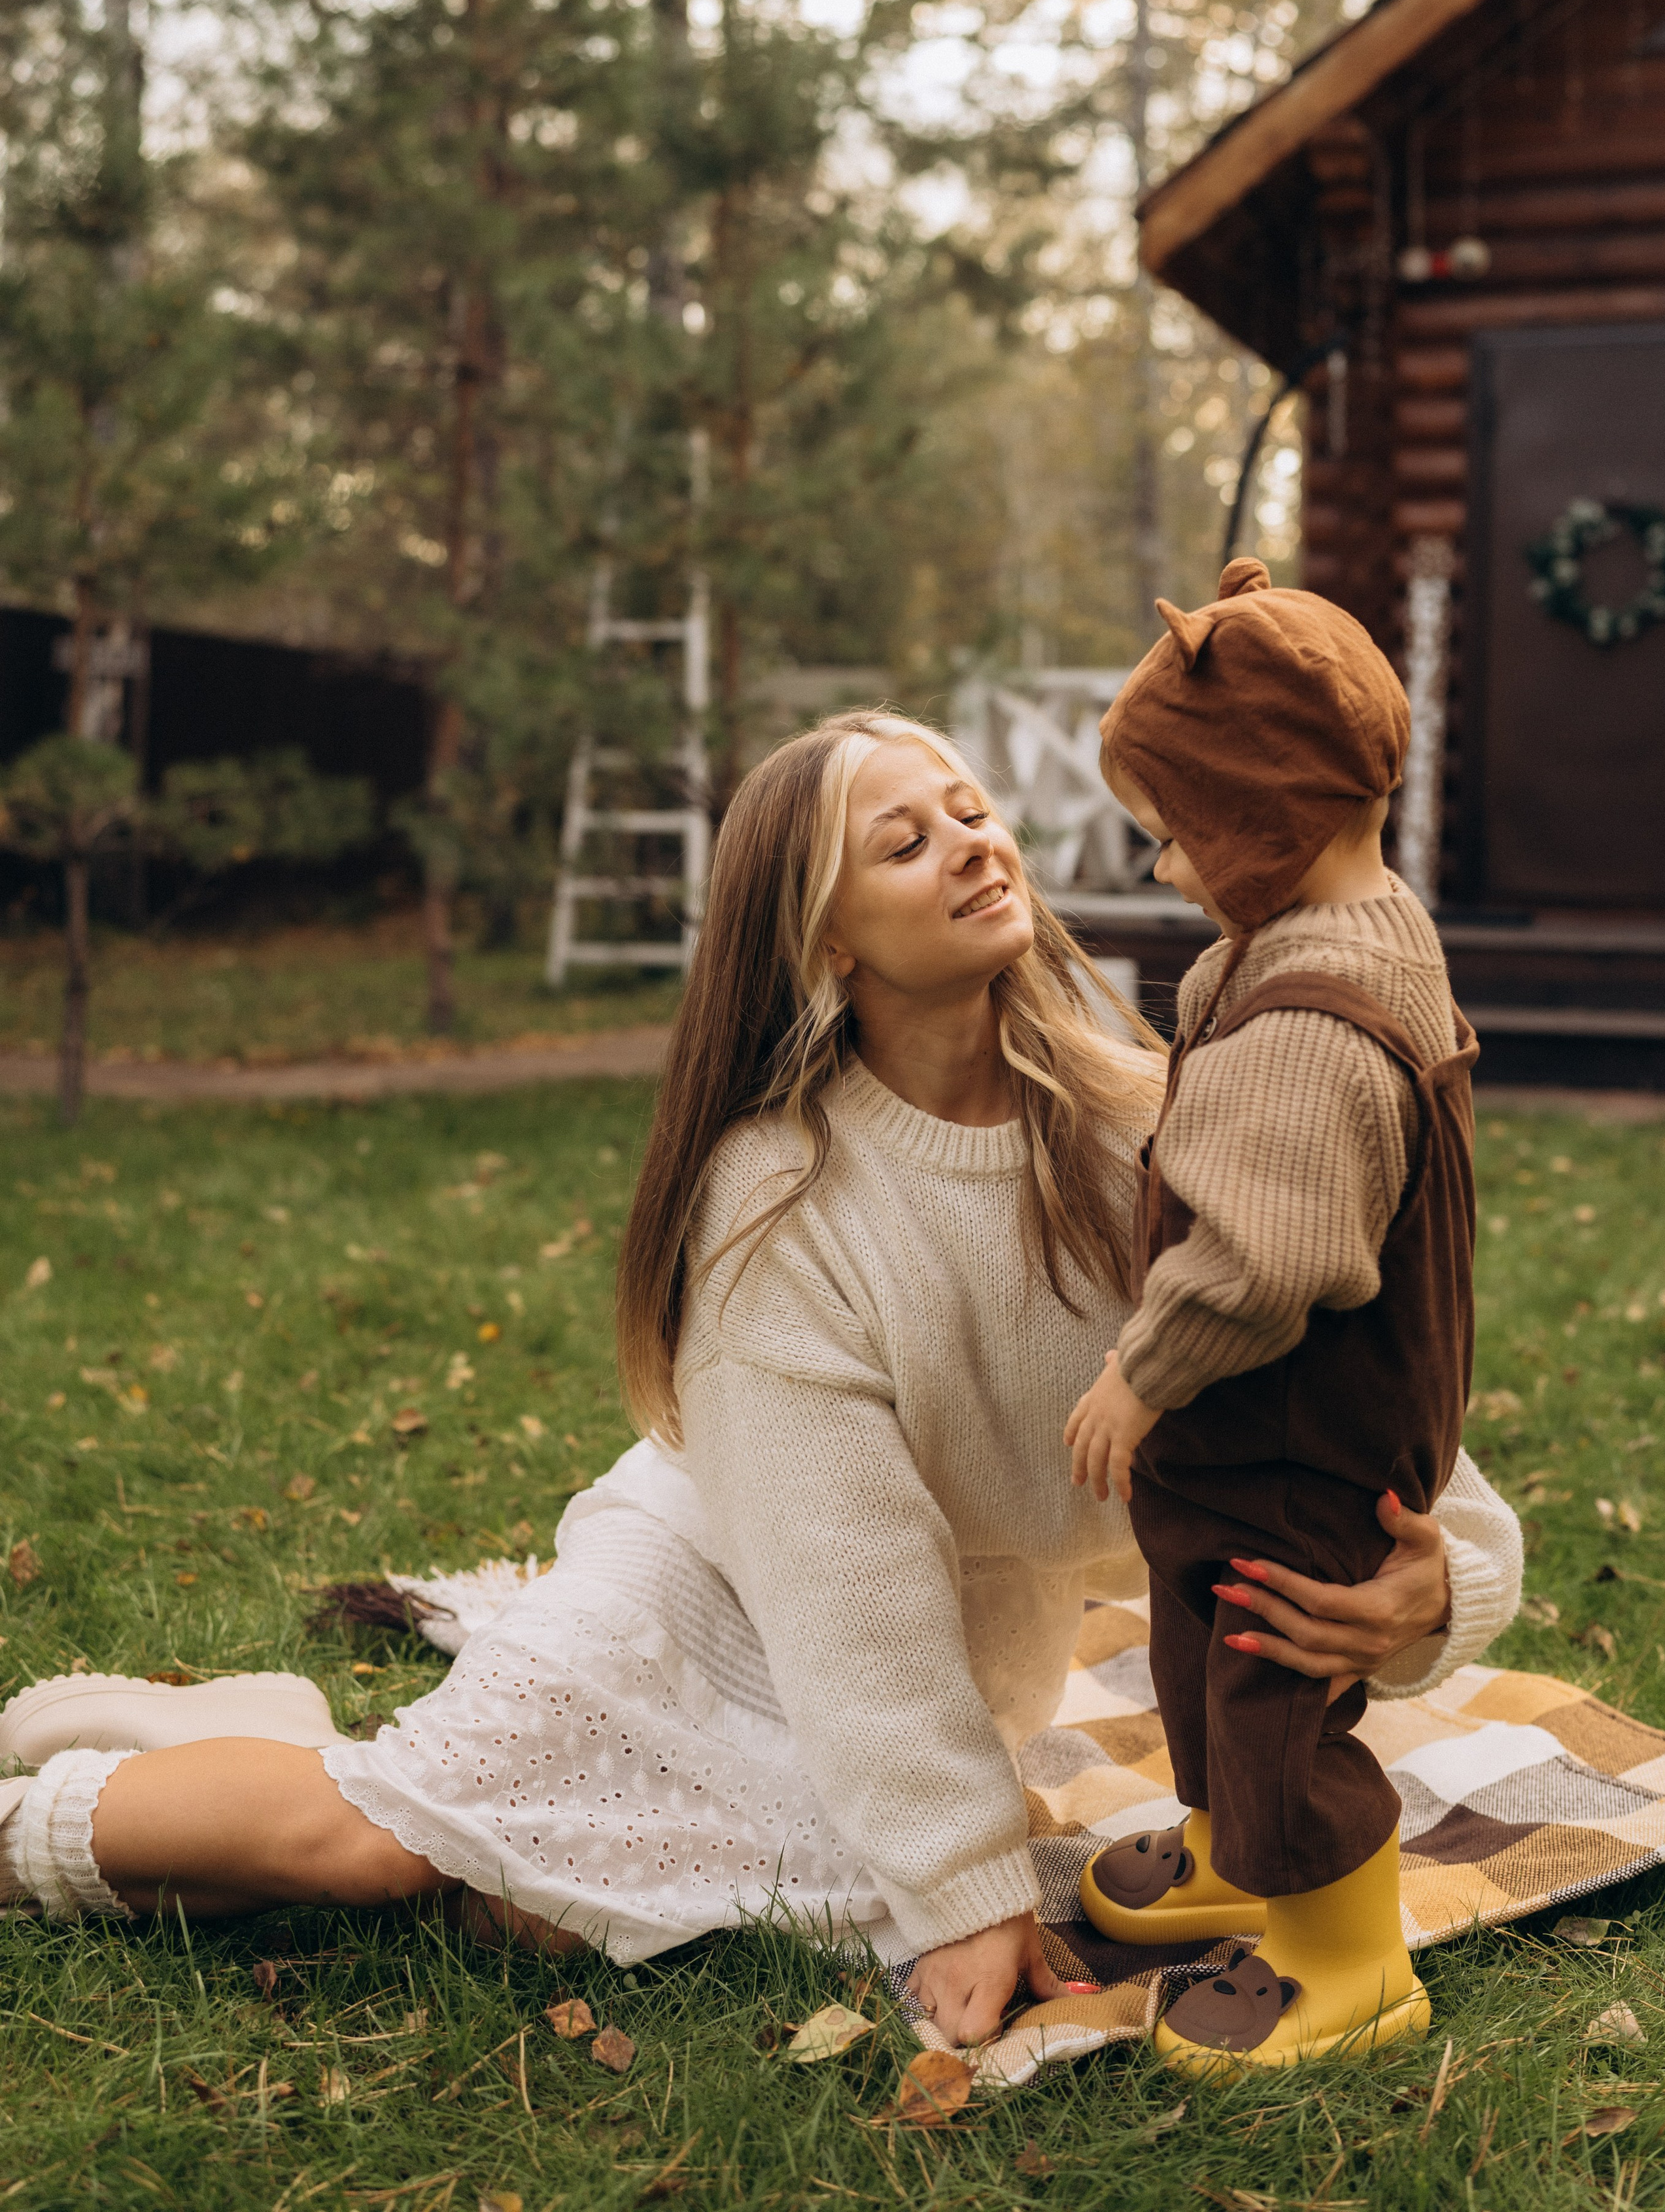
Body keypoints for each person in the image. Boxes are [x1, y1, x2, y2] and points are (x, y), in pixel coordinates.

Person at [0, 711, 1520, 2047]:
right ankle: (52, 1819)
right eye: (904, 839)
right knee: (397, 1854)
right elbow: (842, 1577)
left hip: (950, 1642)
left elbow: (1342, 1387)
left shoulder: (1154, 1119)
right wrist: (967, 1889)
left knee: (580, 1909)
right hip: (720, 1575)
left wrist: (1440, 1584)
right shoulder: (773, 1201)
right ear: (826, 938)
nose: (972, 846)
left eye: (973, 813)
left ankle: (260, 1728)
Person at [1066, 559, 1475, 2075]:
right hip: (1259, 1434)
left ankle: (1339, 1952)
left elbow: (1257, 1266)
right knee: (1194, 1647)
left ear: (1262, 823)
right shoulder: (1336, 930)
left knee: (1266, 1683)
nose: (1165, 868)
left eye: (1174, 835)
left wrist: (1136, 1376)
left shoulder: (1304, 1032)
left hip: (1291, 1434)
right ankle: (1231, 1845)